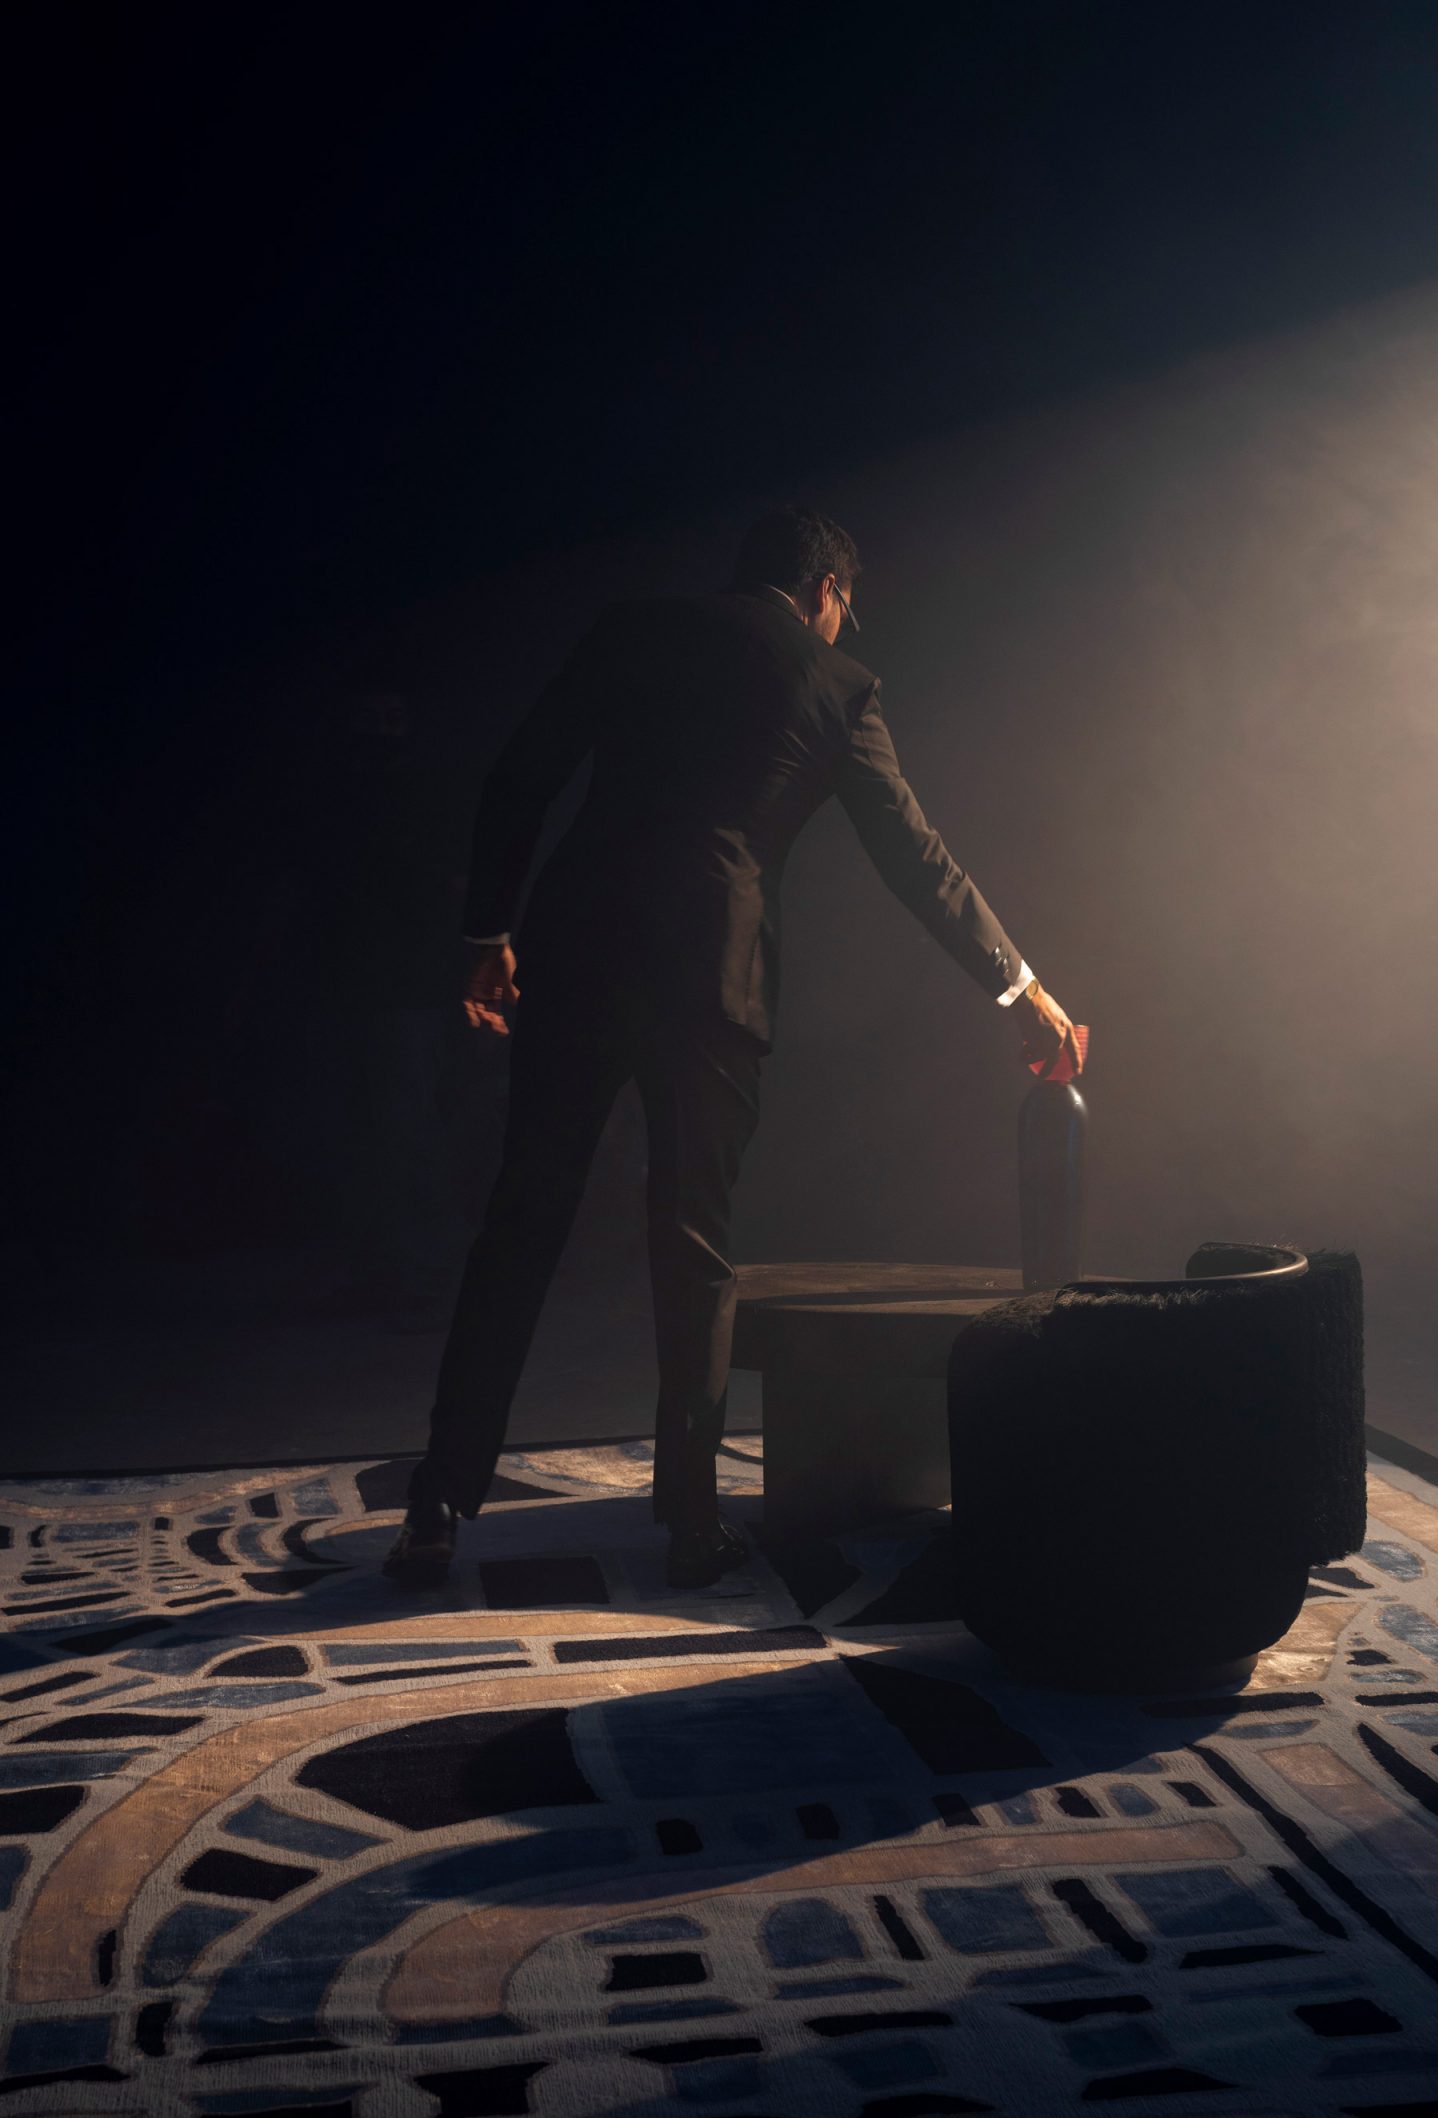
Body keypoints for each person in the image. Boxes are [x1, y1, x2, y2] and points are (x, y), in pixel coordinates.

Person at [387, 506, 1083, 1584]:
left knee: (521, 1221)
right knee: (694, 1246)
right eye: (846, 611)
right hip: (713, 971)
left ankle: (436, 1501)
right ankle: (691, 1523)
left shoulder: (634, 627)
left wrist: (491, 933)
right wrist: (1021, 988)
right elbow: (916, 860)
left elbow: (519, 776)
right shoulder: (838, 684)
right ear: (826, 593)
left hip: (578, 948)